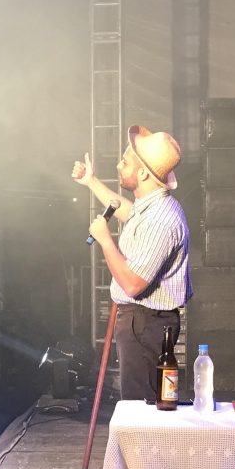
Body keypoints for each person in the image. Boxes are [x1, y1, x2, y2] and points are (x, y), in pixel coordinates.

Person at [72, 124, 192, 400]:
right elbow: (128, 212)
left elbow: (133, 284)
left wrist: (105, 240)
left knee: (140, 405)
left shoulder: (161, 220)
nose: (118, 165)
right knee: (143, 403)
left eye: (125, 162)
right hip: (143, 321)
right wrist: (91, 181)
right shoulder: (152, 206)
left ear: (142, 173)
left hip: (145, 323)